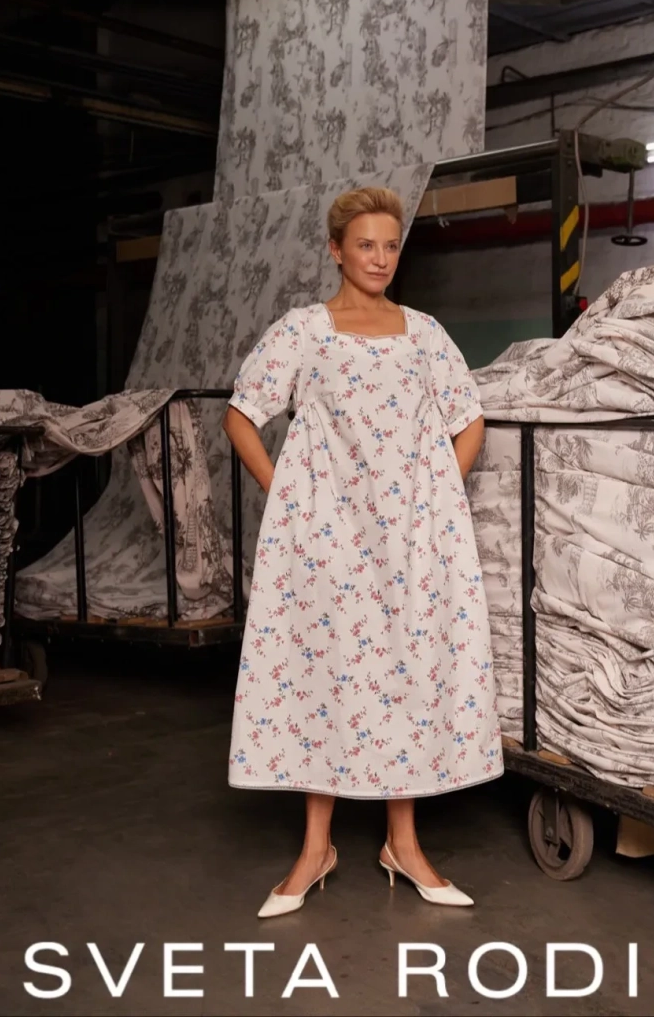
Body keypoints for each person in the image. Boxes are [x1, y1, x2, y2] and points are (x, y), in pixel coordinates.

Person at [222, 185, 502, 917]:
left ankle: (402, 844)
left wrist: (436, 498)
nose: (380, 258)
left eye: (390, 246)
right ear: (336, 250)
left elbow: (469, 419)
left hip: (410, 542)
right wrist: (287, 493)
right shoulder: (304, 331)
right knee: (328, 671)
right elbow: (241, 415)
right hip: (328, 541)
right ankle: (315, 849)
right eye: (366, 245)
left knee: (405, 668)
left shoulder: (425, 333)